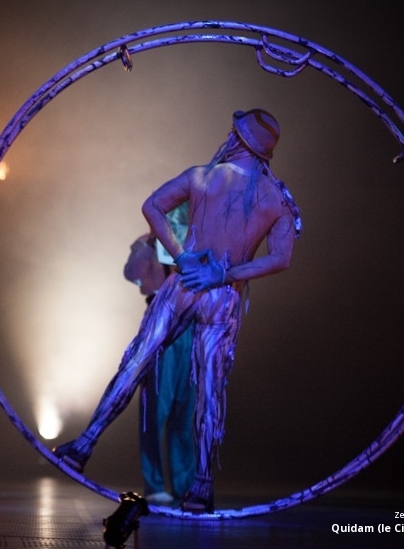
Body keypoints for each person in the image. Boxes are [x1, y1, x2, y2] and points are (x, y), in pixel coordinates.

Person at [53, 109, 301, 513]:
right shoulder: (274, 198)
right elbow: (280, 258)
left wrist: (183, 257)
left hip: (184, 285)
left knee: (136, 363)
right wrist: (226, 275)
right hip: (221, 295)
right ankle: (201, 486)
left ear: (239, 140)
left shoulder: (203, 176)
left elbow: (152, 206)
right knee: (208, 390)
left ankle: (85, 443)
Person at [123, 205, 197, 506]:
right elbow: (130, 274)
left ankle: (186, 484)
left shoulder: (194, 242)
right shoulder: (148, 244)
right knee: (156, 408)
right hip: (161, 323)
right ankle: (154, 483)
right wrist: (145, 244)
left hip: (192, 324)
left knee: (187, 409)